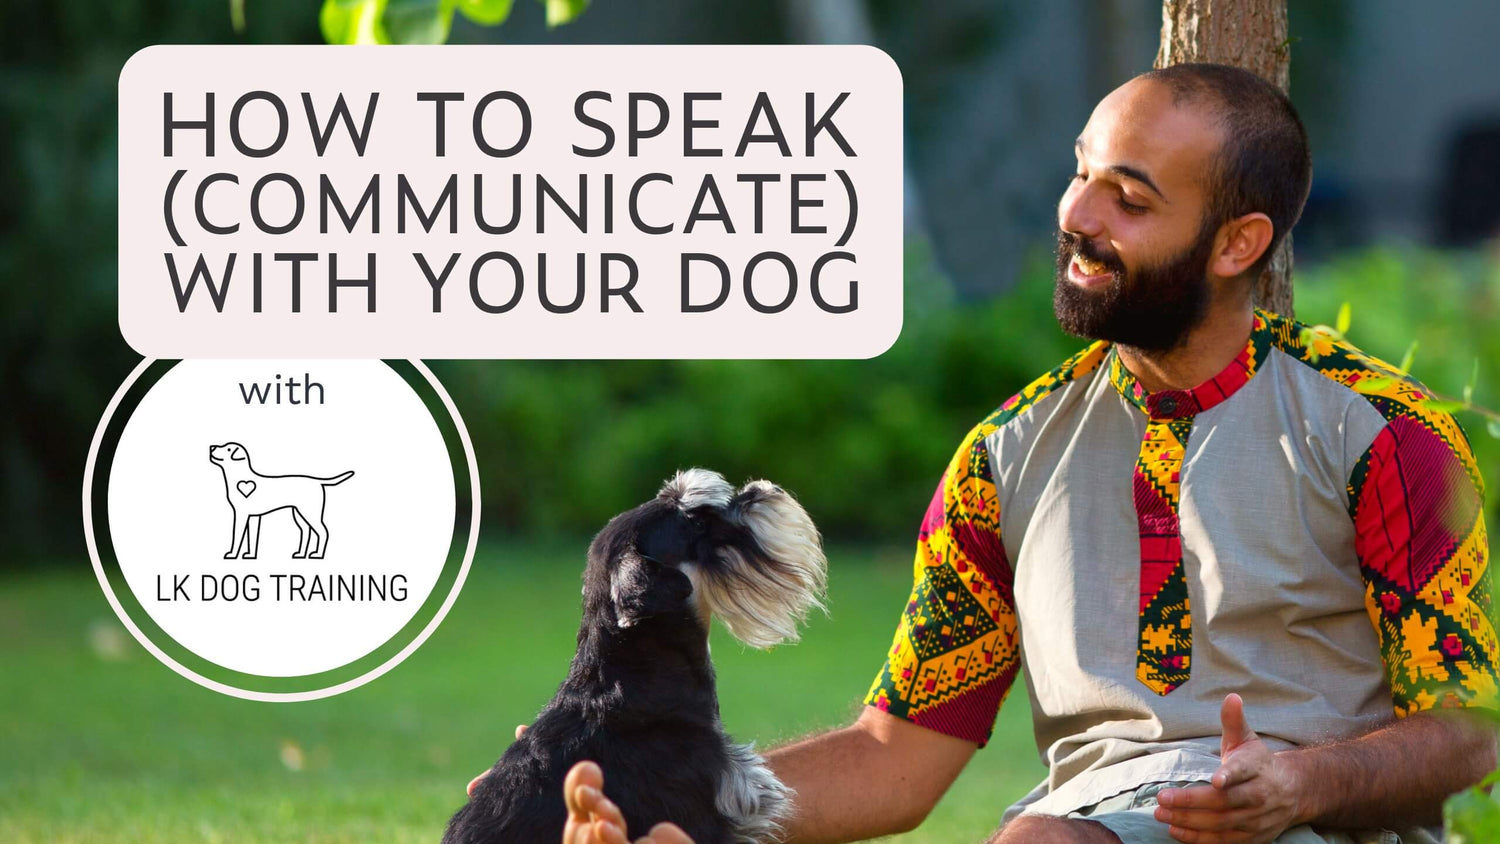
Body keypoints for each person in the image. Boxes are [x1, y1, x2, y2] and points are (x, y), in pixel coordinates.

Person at [491, 62, 1500, 843]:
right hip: (1087, 824)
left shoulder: (1384, 437)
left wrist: (1302, 782)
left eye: (1130, 200)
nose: (1078, 216)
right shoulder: (1004, 460)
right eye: (1081, 173)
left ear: (1238, 243)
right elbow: (896, 755)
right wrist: (660, 805)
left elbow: (1472, 726)